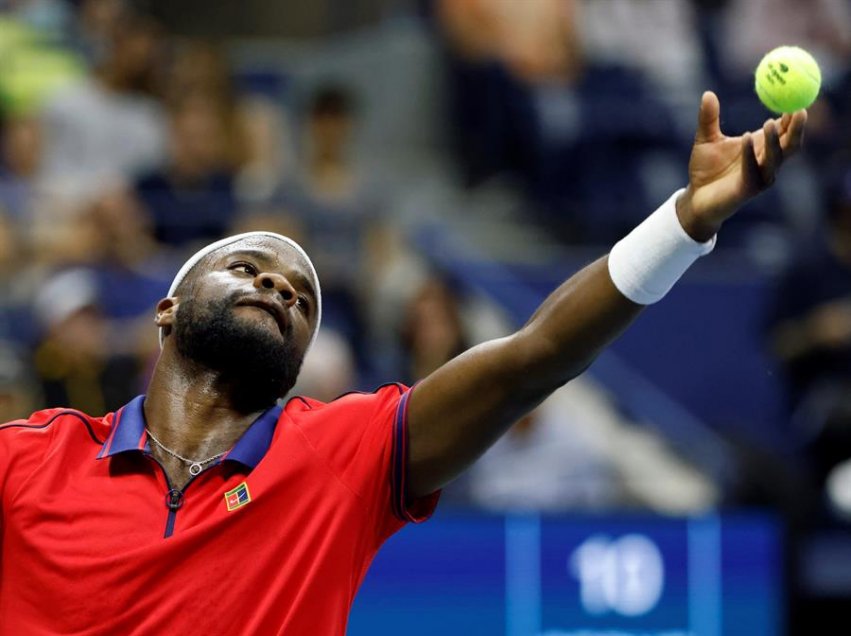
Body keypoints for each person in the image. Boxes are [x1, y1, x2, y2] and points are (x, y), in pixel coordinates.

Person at [0, 93, 806, 634]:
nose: (279, 285)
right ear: (167, 309)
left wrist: (684, 221)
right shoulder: (26, 460)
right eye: (248, 269)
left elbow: (532, 357)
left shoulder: (335, 455)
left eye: (302, 299)